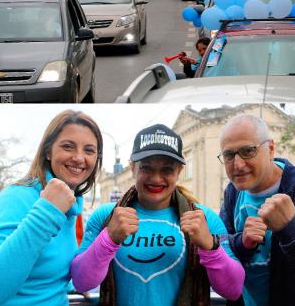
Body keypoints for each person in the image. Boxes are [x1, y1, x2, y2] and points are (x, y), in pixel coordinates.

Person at [71, 124, 244, 305]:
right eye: (146, 168)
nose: (156, 178)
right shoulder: (106, 216)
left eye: (167, 170)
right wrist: (108, 239)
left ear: (179, 172)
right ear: (133, 168)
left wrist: (210, 246)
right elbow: (81, 282)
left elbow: (233, 290)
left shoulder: (204, 219)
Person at [0, 110, 103, 305]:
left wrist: (68, 286)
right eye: (68, 147)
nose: (79, 158)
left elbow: (41, 272)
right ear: (48, 151)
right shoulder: (15, 199)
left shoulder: (73, 203)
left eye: (89, 150)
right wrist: (47, 213)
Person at [218, 114, 295, 305]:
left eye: (248, 151)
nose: (238, 165)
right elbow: (220, 245)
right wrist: (241, 242)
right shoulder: (233, 192)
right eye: (229, 155)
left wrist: (292, 229)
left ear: (270, 149)